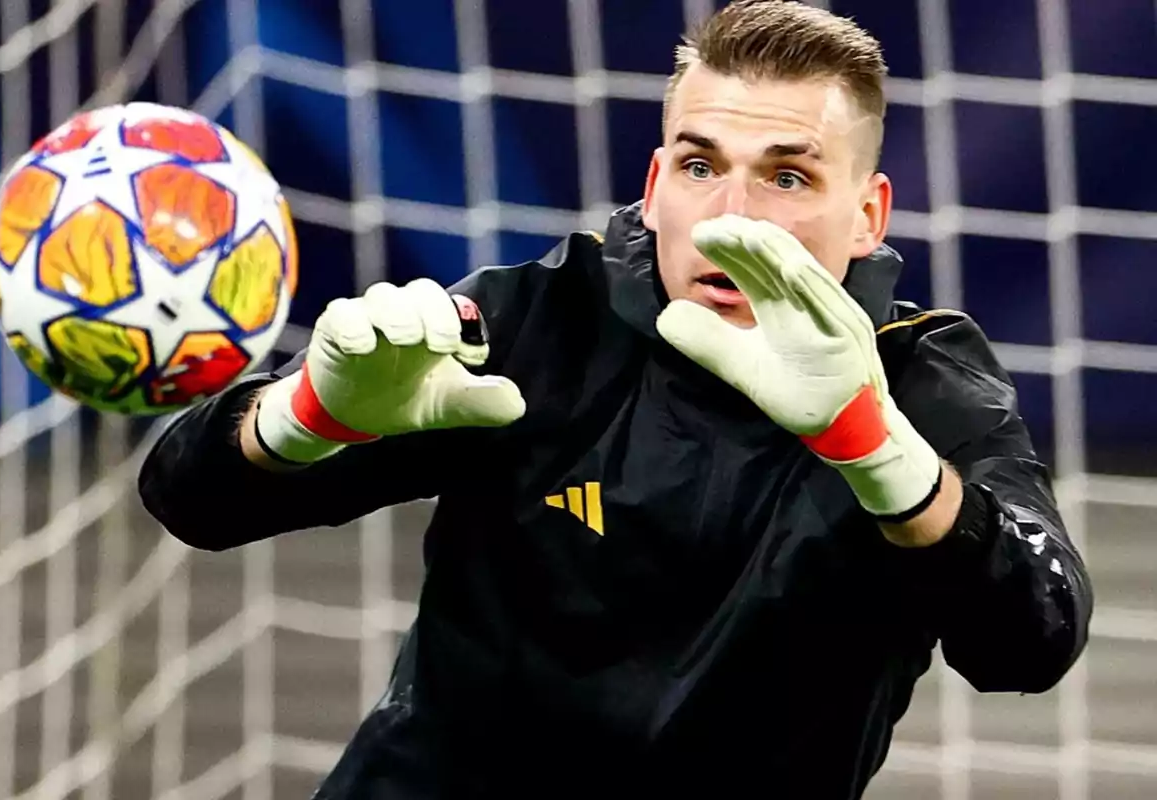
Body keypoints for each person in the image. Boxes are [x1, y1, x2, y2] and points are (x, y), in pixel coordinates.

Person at [138, 1, 1093, 797]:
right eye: (700, 164)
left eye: (789, 176)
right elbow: (189, 501)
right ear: (655, 182)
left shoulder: (920, 387)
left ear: (868, 215)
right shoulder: (542, 323)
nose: (731, 217)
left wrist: (875, 450)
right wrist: (308, 416)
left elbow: (1035, 640)